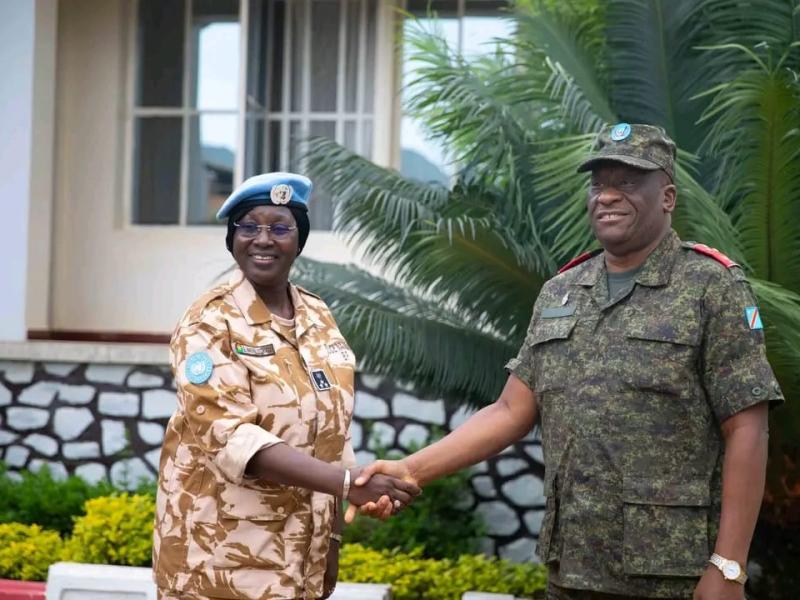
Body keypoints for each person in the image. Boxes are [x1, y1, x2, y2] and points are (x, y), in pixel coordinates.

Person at [351, 124, 784, 600]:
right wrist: (412, 470)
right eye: (598, 183)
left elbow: (747, 428)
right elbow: (510, 410)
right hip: (573, 567)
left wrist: (728, 566)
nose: (607, 196)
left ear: (668, 196)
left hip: (674, 572)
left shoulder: (710, 286)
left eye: (628, 182)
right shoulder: (561, 291)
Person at [153, 172, 420, 600]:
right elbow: (231, 439)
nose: (263, 239)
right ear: (232, 238)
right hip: (218, 564)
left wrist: (332, 539)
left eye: (280, 227)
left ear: (299, 240)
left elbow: (334, 434)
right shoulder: (209, 320)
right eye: (248, 227)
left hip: (301, 561)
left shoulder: (317, 316)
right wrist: (349, 484)